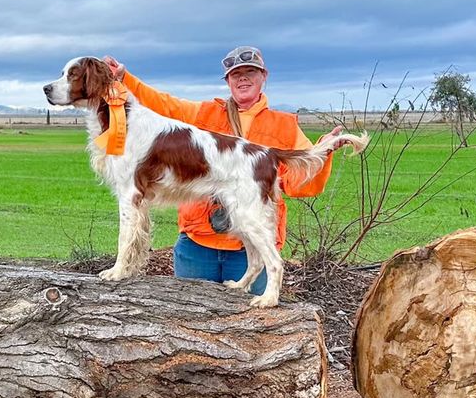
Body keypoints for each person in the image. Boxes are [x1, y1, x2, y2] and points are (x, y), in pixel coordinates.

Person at [104, 46, 346, 296]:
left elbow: (298, 184)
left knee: (251, 324)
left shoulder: (284, 125)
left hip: (246, 250)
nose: (243, 78)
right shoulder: (204, 113)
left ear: (264, 76)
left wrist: (324, 152)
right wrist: (125, 78)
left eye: (250, 72)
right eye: (235, 74)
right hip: (197, 244)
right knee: (187, 318)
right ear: (228, 81)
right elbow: (163, 105)